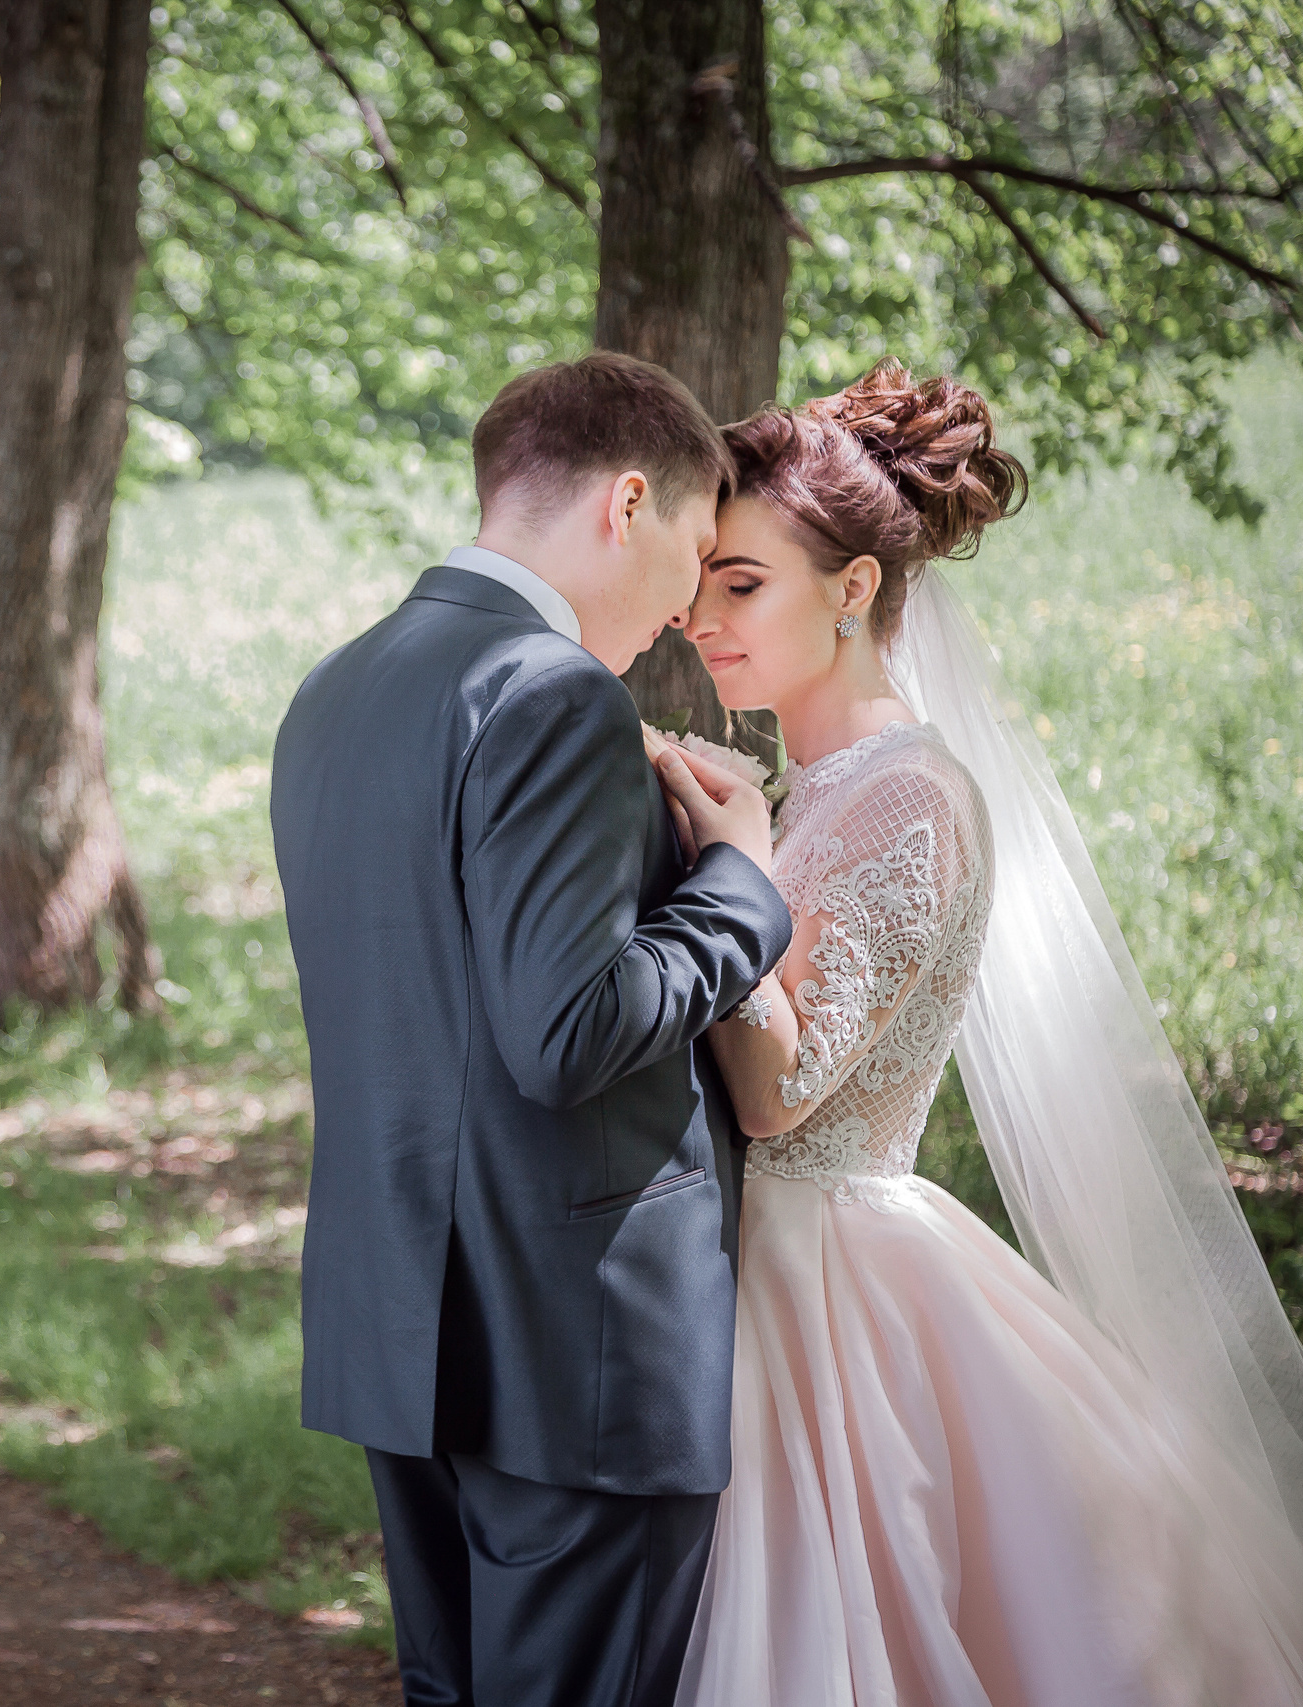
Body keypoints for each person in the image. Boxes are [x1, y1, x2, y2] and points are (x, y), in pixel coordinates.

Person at [656, 359, 1303, 1704]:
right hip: (765, 1258)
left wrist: (729, 870)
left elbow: (781, 1095)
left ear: (854, 591)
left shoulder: (906, 796)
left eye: (741, 585)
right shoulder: (818, 783)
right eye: (698, 585)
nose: (698, 619)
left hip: (829, 1278)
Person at [268, 352, 795, 1707]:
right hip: (577, 1350)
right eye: (694, 544)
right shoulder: (553, 693)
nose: (689, 604)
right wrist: (741, 882)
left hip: (406, 1329)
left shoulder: (336, 691)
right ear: (629, 501)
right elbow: (569, 1030)